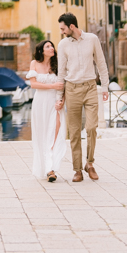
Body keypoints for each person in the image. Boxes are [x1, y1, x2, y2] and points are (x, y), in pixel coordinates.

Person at [57, 13, 110, 183]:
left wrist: (106, 87)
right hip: (71, 89)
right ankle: (78, 169)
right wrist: (60, 96)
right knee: (73, 131)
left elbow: (101, 63)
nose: (62, 32)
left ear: (72, 27)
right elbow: (61, 72)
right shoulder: (63, 44)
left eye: (63, 28)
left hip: (90, 87)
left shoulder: (92, 39)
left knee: (92, 127)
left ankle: (90, 163)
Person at [26, 40, 67, 182]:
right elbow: (33, 84)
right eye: (48, 46)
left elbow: (63, 85)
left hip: (54, 104)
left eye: (52, 46)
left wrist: (61, 101)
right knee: (42, 135)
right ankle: (48, 169)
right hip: (40, 103)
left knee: (55, 134)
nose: (52, 48)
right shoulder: (34, 64)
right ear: (41, 51)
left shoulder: (58, 64)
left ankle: (52, 167)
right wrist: (52, 85)